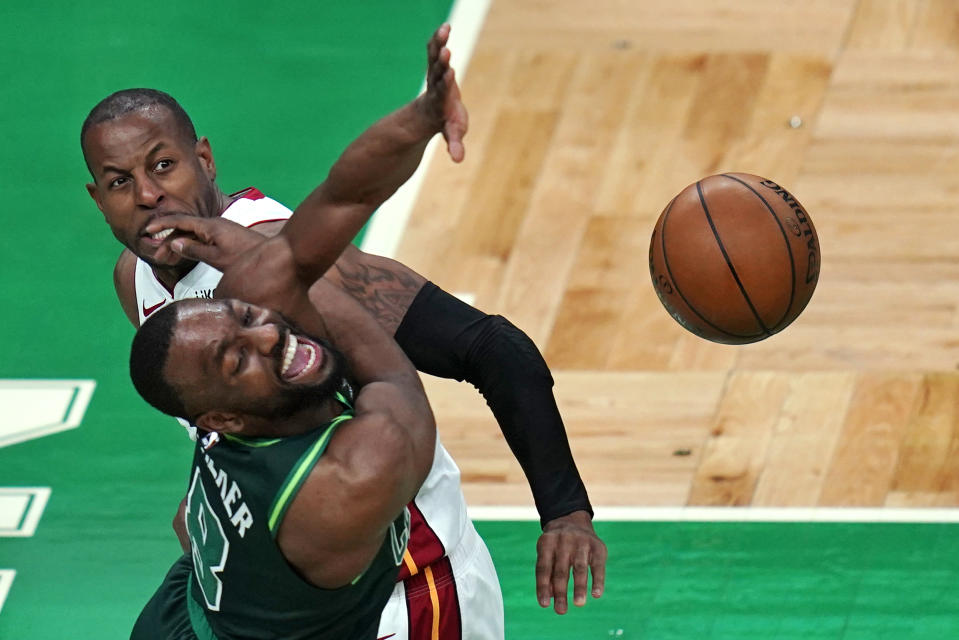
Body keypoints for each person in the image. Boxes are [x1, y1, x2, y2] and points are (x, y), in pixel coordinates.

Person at [82, 24, 606, 635]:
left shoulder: (283, 255)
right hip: (297, 605)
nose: (148, 195)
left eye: (164, 166)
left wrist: (565, 511)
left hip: (406, 591)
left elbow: (490, 347)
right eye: (121, 182)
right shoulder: (136, 282)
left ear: (204, 160)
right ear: (99, 199)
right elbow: (230, 418)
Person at [128, 193, 437, 639]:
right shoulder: (351, 479)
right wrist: (275, 266)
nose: (271, 332)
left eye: (248, 316)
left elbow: (185, 522)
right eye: (236, 360)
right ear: (221, 420)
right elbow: (394, 379)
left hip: (180, 611)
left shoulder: (220, 415)